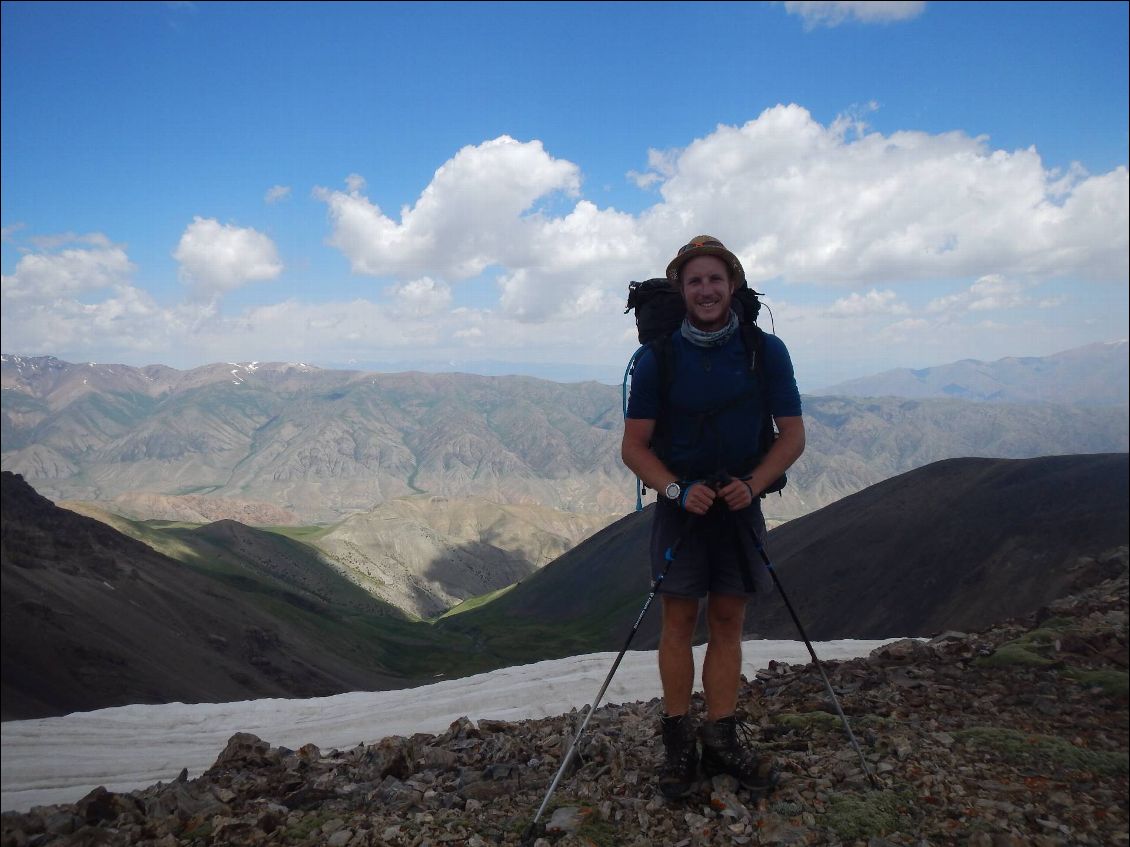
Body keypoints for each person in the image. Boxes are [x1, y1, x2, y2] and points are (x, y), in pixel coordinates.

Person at [621, 235, 805, 799]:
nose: (706, 289)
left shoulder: (764, 351)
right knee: (678, 623)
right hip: (685, 508)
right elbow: (634, 447)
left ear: (734, 287)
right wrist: (677, 490)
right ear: (680, 289)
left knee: (727, 622)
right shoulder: (659, 358)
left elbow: (792, 436)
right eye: (695, 280)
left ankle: (722, 737)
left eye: (716, 280)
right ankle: (680, 742)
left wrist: (752, 485)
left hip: (738, 505)